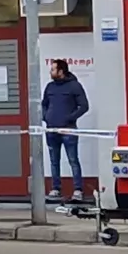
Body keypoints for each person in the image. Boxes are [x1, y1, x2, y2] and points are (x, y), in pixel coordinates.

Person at [41, 58, 92, 215]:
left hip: (68, 130)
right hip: (52, 129)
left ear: (61, 71)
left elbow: (84, 106)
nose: (51, 72)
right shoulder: (49, 87)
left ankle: (78, 190)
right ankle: (56, 189)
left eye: (53, 70)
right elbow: (44, 104)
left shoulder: (74, 86)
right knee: (54, 161)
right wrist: (46, 116)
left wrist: (70, 118)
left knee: (73, 160)